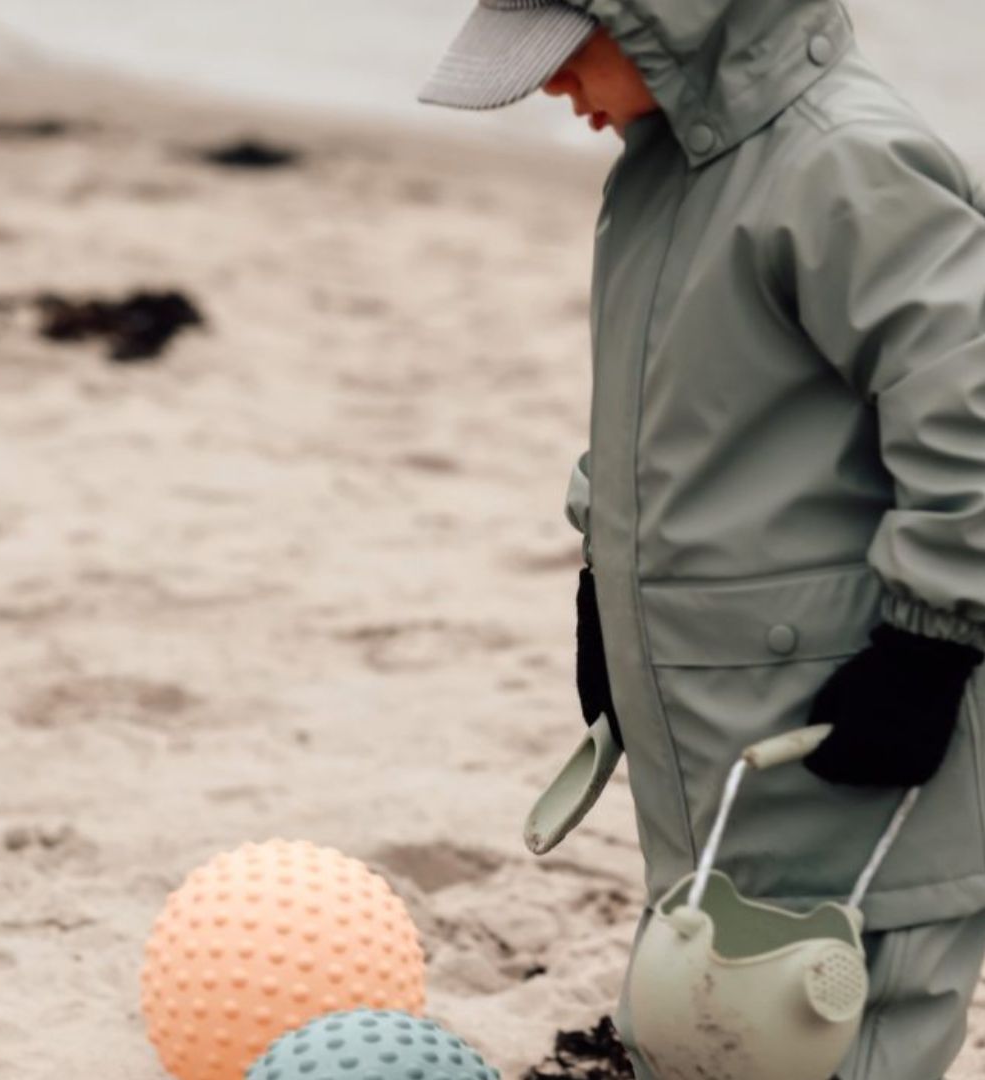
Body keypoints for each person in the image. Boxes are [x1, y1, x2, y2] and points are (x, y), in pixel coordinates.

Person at [419, 2, 985, 1078]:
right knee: (712, 1011)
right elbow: (664, 403)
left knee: (840, 1016)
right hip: (717, 715)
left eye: (562, 55)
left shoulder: (844, 165)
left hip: (846, 709)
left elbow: (969, 408)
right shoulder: (666, 171)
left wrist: (932, 638)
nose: (549, 88)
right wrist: (607, 571)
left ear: (666, 22)